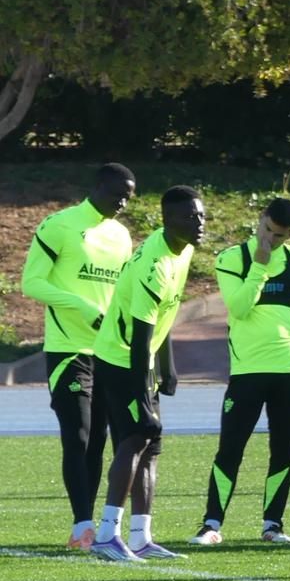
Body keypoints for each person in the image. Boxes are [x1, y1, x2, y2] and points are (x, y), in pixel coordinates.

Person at [192, 199, 290, 545]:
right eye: (267, 230)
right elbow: (238, 306)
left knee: (283, 449)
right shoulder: (231, 258)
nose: (270, 240)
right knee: (230, 448)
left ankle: (273, 525)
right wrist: (260, 265)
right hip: (248, 370)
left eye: (280, 236)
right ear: (260, 219)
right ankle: (211, 525)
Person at [21, 163, 136, 550]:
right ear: (99, 186)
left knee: (100, 439)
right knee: (78, 434)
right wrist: (81, 306)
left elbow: (122, 292)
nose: (122, 202)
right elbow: (31, 282)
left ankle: (88, 527)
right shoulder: (60, 225)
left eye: (129, 197)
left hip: (108, 353)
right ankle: (81, 524)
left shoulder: (121, 236)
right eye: (118, 193)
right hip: (69, 348)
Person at [88, 187, 205, 561]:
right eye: (190, 217)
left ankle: (141, 537)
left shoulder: (183, 248)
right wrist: (142, 395)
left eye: (201, 215)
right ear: (167, 220)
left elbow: (164, 317)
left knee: (151, 444)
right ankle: (107, 534)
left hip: (142, 357)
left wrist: (167, 366)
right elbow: (139, 340)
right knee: (136, 435)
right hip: (119, 358)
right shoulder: (152, 266)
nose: (199, 223)